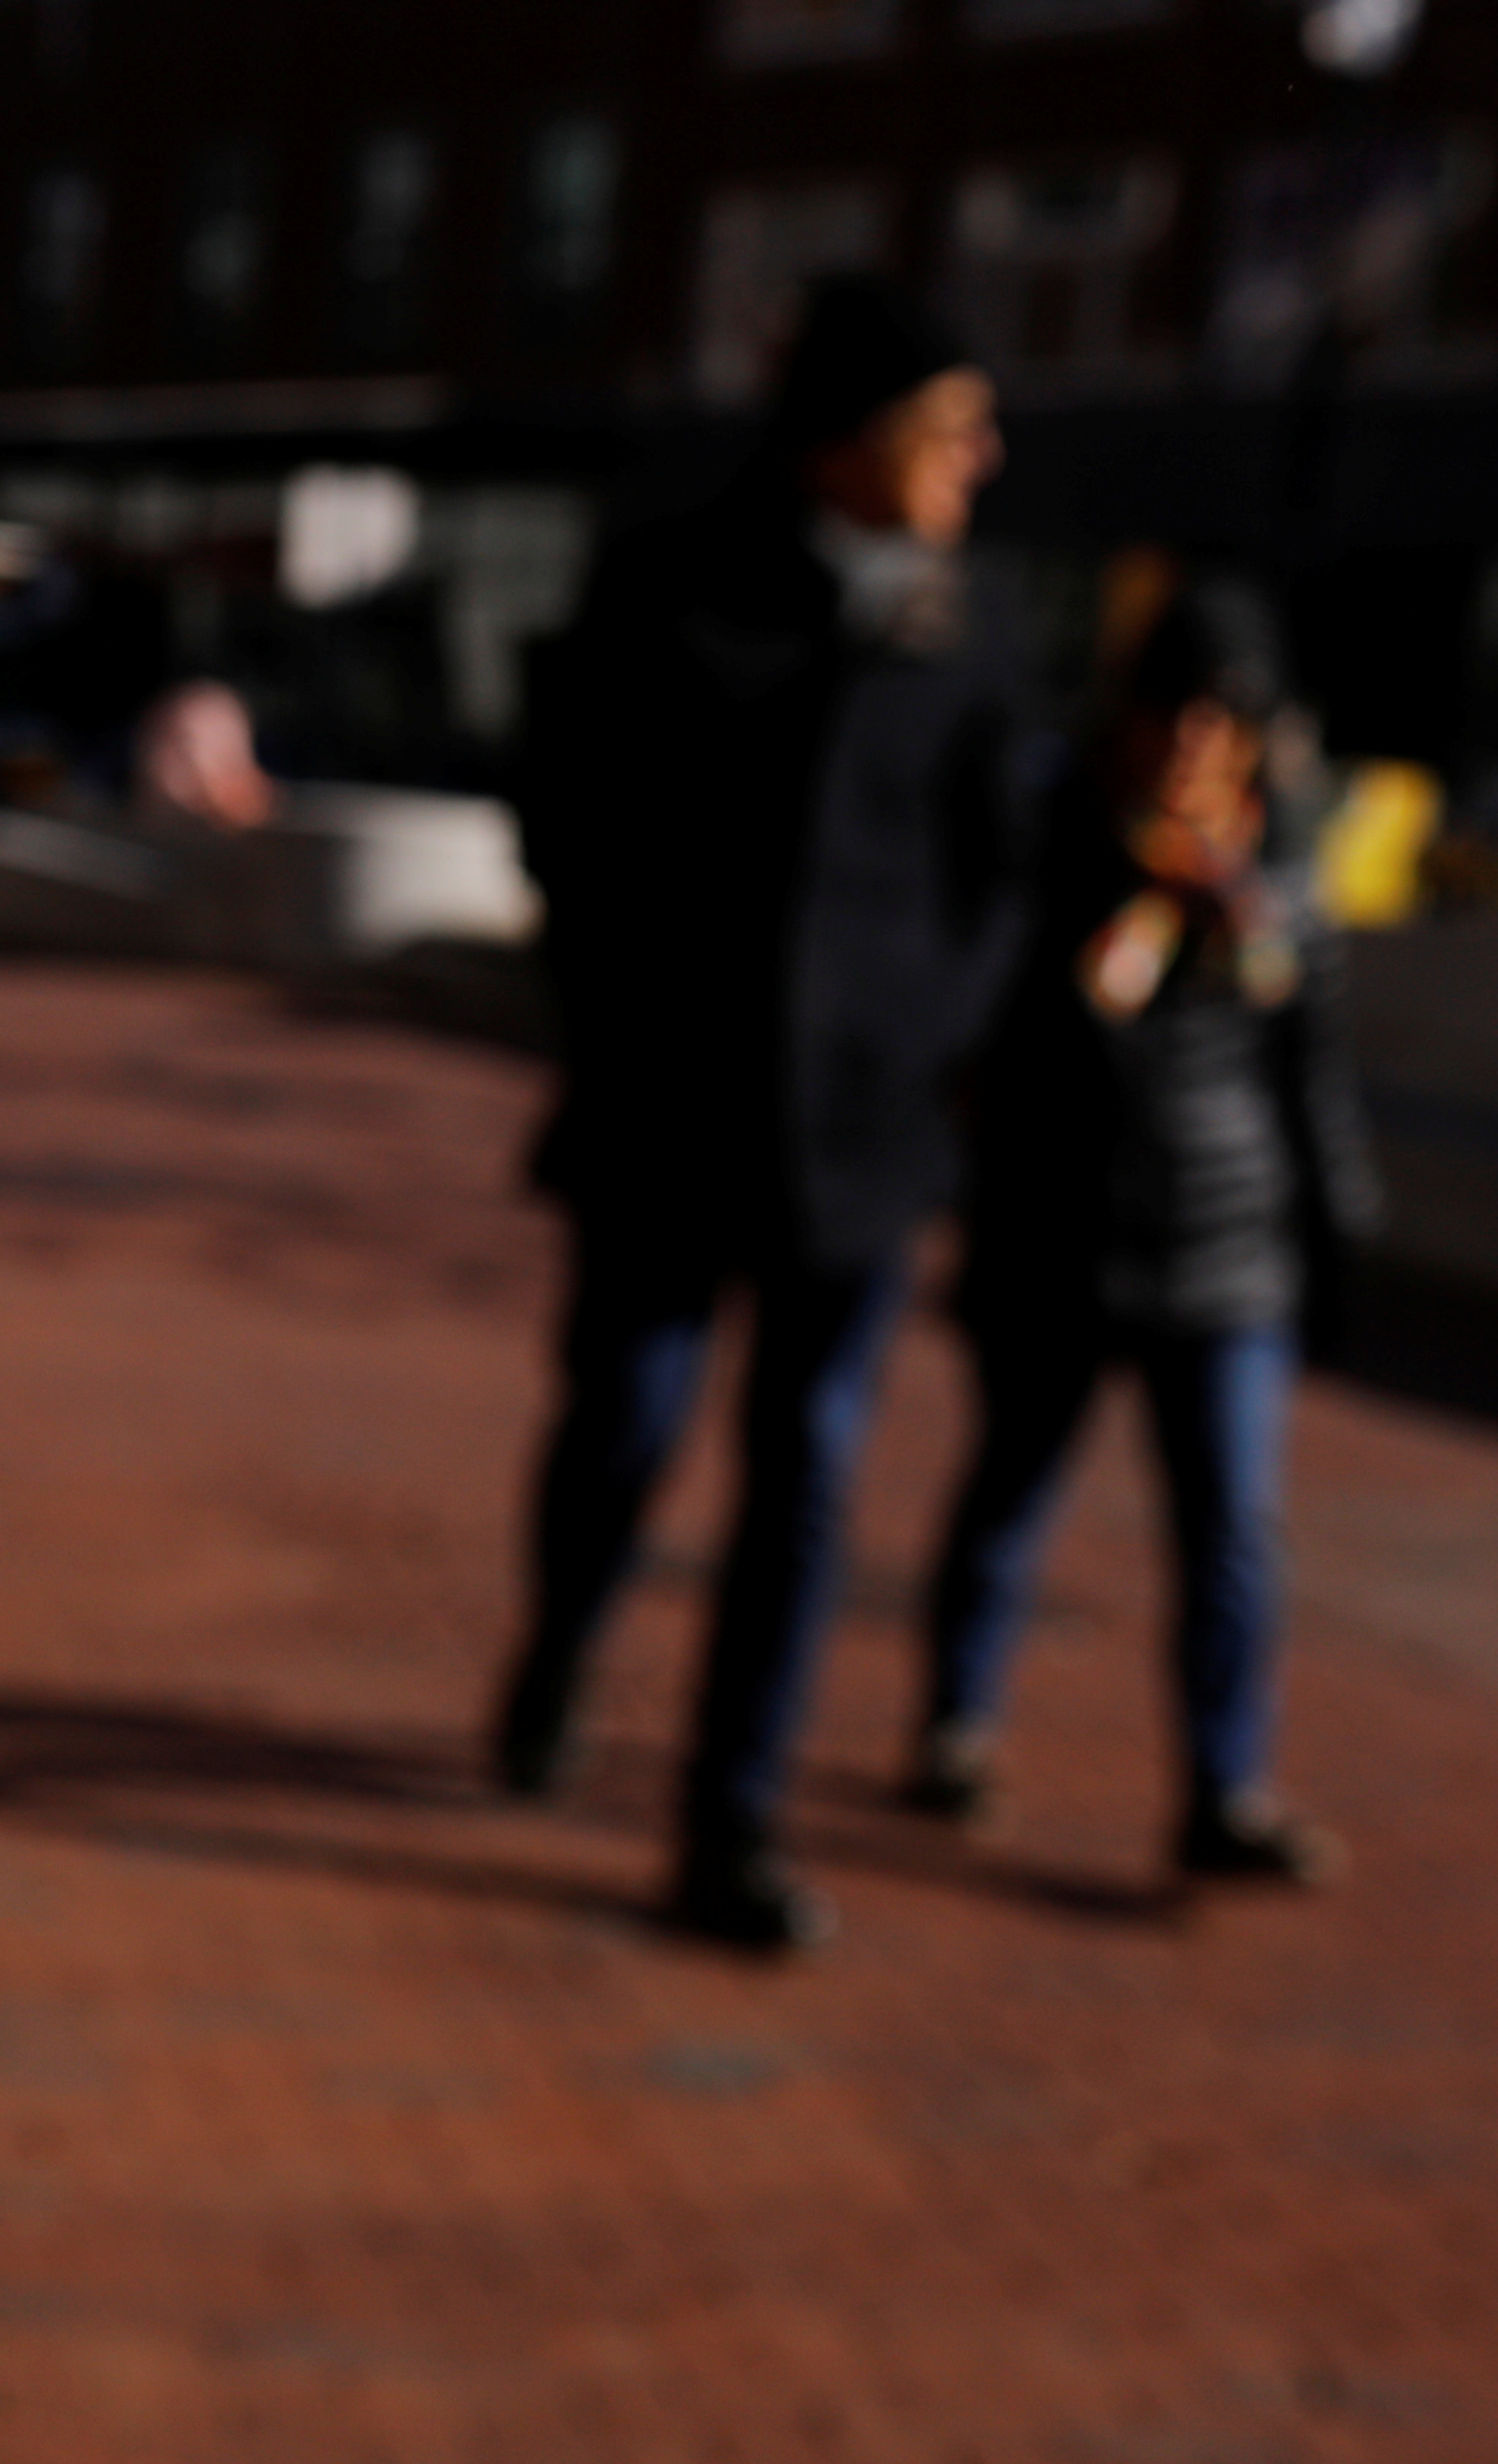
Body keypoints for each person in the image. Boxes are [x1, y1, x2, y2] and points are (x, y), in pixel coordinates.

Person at [496, 277, 1030, 1952]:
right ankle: (561, 1638)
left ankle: (727, 1822)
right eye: (950, 428)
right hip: (672, 1109)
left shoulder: (971, 627)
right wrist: (622, 1016)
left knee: (806, 1467)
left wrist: (927, 1033)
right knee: (628, 1425)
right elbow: (565, 822)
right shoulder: (668, 584)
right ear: (850, 442)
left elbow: (992, 878)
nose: (981, 458)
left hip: (860, 1142)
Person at [903, 582, 1382, 1883]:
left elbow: (1313, 1074)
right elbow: (1006, 1036)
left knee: (1233, 1530)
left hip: (1231, 1250)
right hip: (1065, 1235)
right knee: (1012, 1488)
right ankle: (957, 1719)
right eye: (1172, 710)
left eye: (1223, 717)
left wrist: (1336, 1234)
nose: (1192, 742)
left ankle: (1225, 1787)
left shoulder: (1280, 876)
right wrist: (1128, 900)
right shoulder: (1055, 844)